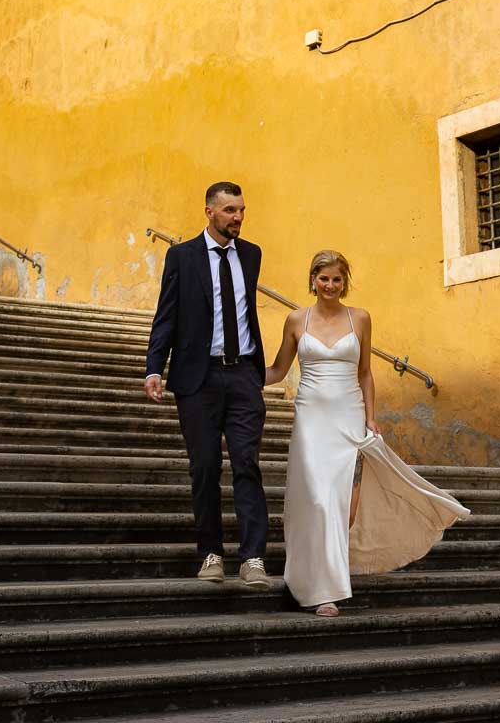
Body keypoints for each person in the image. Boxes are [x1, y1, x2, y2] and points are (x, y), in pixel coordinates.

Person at [266, 249, 470, 616]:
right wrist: (237, 375)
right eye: (323, 278)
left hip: (349, 415)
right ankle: (318, 589)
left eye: (337, 279)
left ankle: (320, 577)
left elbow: (365, 373)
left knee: (343, 506)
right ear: (312, 279)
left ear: (346, 282)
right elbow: (278, 370)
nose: (330, 285)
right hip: (311, 418)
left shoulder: (360, 319)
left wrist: (371, 417)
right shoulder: (296, 320)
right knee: (315, 500)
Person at [144, 181, 269, 588]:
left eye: (242, 210)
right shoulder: (181, 257)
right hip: (197, 378)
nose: (238, 217)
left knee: (247, 464)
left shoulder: (251, 255)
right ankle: (211, 553)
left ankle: (253, 558)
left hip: (243, 374)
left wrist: (254, 371)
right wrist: (153, 368)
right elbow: (166, 314)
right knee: (205, 467)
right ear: (209, 212)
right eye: (230, 210)